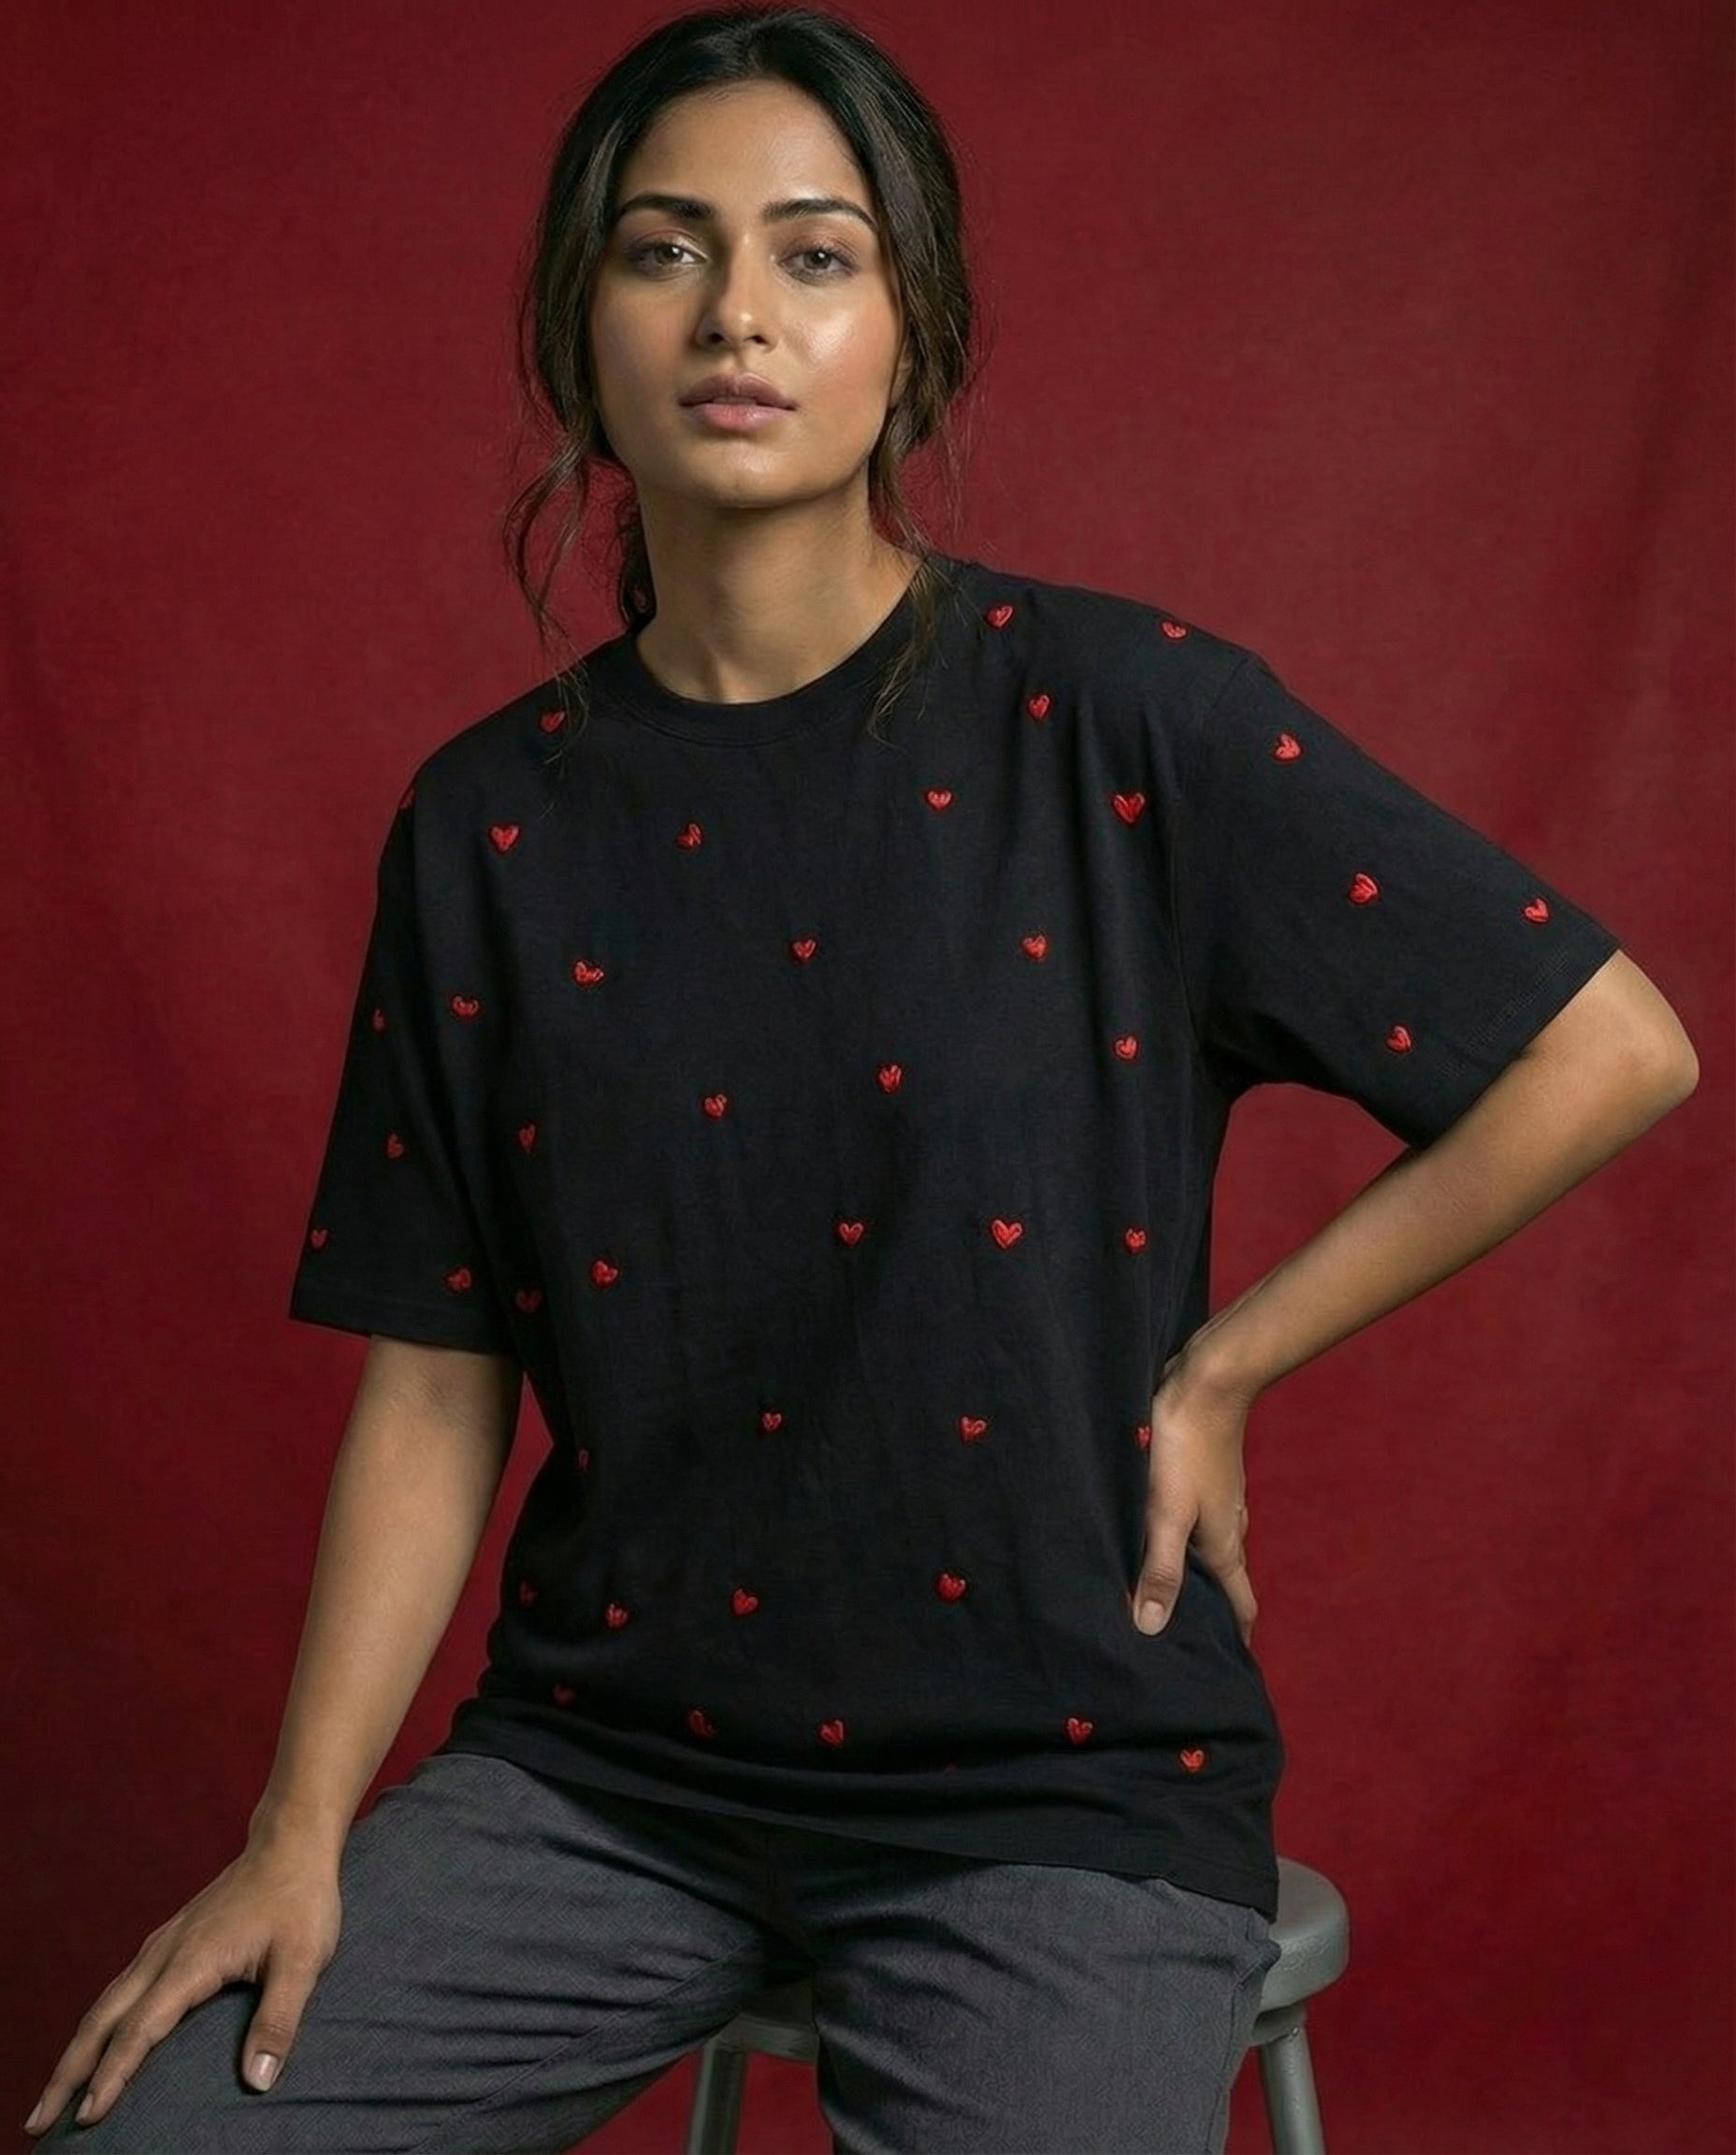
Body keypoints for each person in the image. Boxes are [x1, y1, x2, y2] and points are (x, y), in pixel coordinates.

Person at [25, 7, 1698, 2152]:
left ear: (914, 333)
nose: (738, 312)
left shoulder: (1117, 720)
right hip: (607, 1778)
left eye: (816, 254)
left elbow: (1608, 1044)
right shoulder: (489, 829)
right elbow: (437, 1384)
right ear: (579, 330)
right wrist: (299, 1827)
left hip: (1058, 1789)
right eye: (666, 250)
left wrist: (1224, 1369)